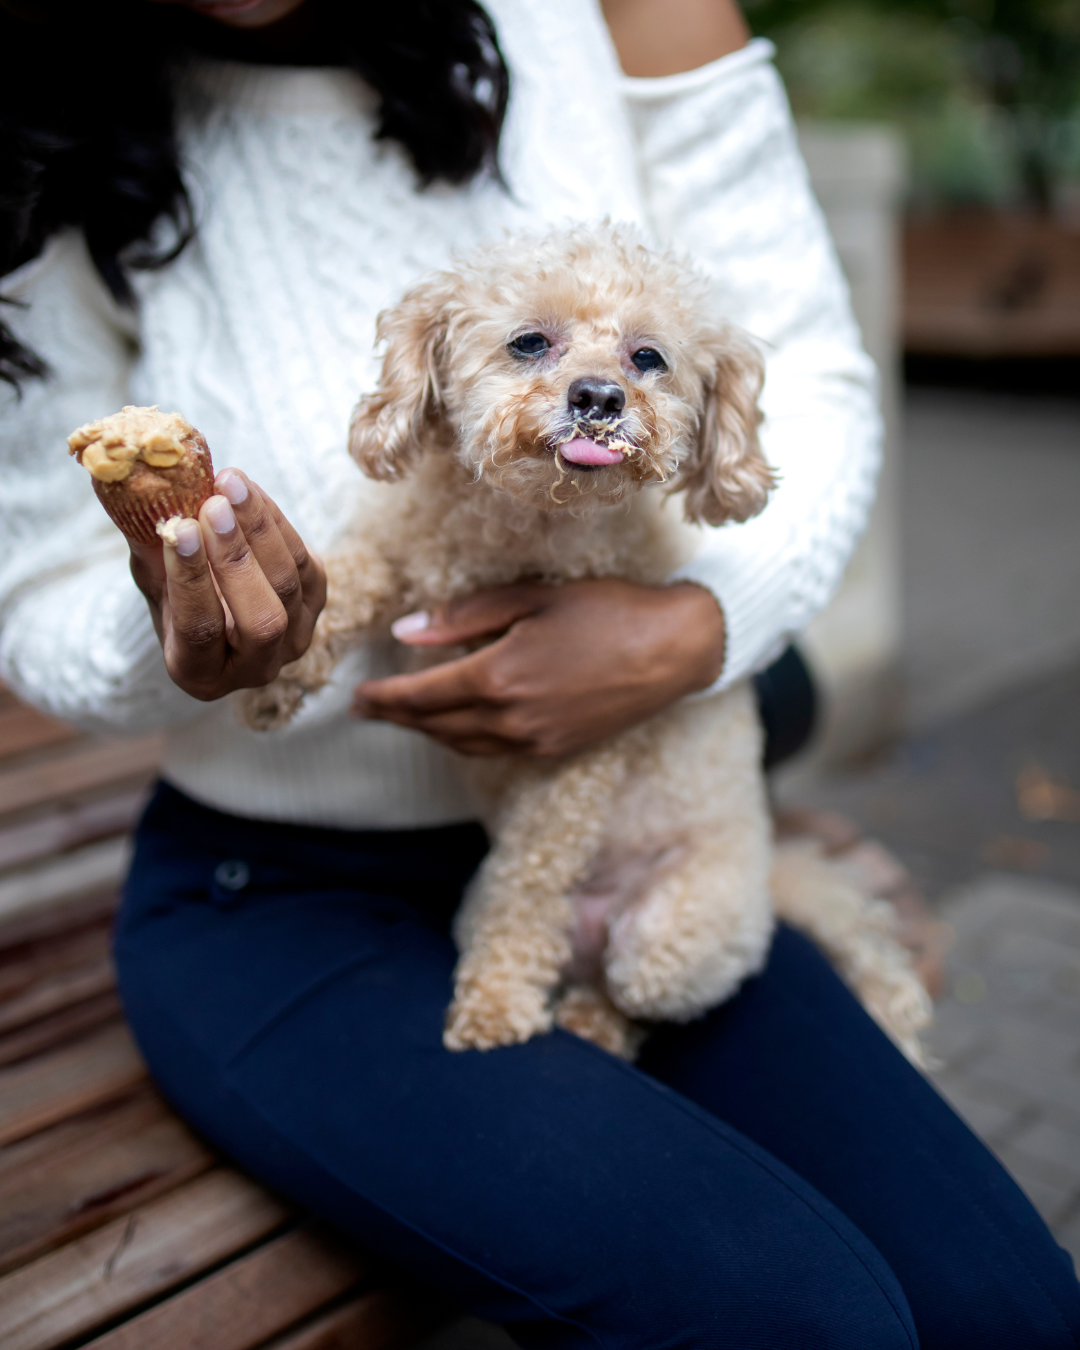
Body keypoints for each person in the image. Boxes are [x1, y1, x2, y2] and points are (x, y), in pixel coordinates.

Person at [1, 1, 1077, 1345]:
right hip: (277, 891)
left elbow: (796, 368)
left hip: (631, 827)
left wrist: (690, 627)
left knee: (1011, 1311)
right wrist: (177, 633)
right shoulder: (40, 123)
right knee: (801, 1316)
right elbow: (37, 589)